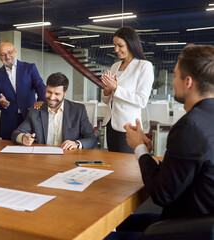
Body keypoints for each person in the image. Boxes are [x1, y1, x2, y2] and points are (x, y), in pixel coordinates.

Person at [106, 44, 214, 239]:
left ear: (188, 82)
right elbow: (185, 171)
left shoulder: (189, 127)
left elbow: (162, 194)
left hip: (186, 228)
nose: (172, 83)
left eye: (174, 76)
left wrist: (138, 148)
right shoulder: (205, 120)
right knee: (112, 222)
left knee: (101, 234)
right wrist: (149, 156)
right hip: (198, 218)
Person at [101, 26, 154, 153]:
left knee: (125, 167)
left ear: (130, 44)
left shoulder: (144, 66)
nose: (116, 49)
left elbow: (142, 100)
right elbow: (107, 100)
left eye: (120, 46)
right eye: (115, 46)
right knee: (112, 163)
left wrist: (116, 88)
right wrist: (107, 91)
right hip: (110, 123)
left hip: (128, 126)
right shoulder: (115, 66)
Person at [11, 72, 97, 150]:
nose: (51, 97)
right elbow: (16, 133)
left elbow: (92, 139)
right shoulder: (35, 111)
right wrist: (23, 138)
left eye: (57, 94)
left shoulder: (78, 110)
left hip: (68, 158)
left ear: (65, 93)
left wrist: (76, 143)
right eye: (49, 92)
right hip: (42, 159)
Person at [0, 41, 47, 140]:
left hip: (30, 118)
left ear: (15, 51)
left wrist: (41, 101)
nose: (7, 56)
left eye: (10, 52)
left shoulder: (30, 68)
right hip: (8, 123)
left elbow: (41, 86)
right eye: (3, 54)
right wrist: (1, 103)